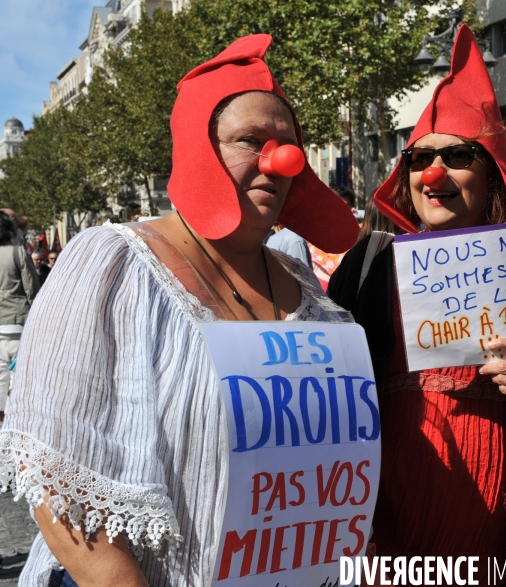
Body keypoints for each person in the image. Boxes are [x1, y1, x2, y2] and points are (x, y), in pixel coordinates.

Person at [0, 35, 358, 587]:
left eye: (289, 144)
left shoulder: (301, 282)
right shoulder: (112, 264)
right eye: (250, 140)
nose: (280, 161)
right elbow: (62, 497)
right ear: (199, 146)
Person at [329, 25, 506, 584]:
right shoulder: (370, 264)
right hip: (382, 527)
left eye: (456, 155)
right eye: (418, 159)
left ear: (490, 176)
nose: (433, 174)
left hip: (492, 526)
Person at [0, 211, 39, 422]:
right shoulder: (17, 253)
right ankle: (16, 422)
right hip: (18, 323)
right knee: (18, 376)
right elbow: (32, 290)